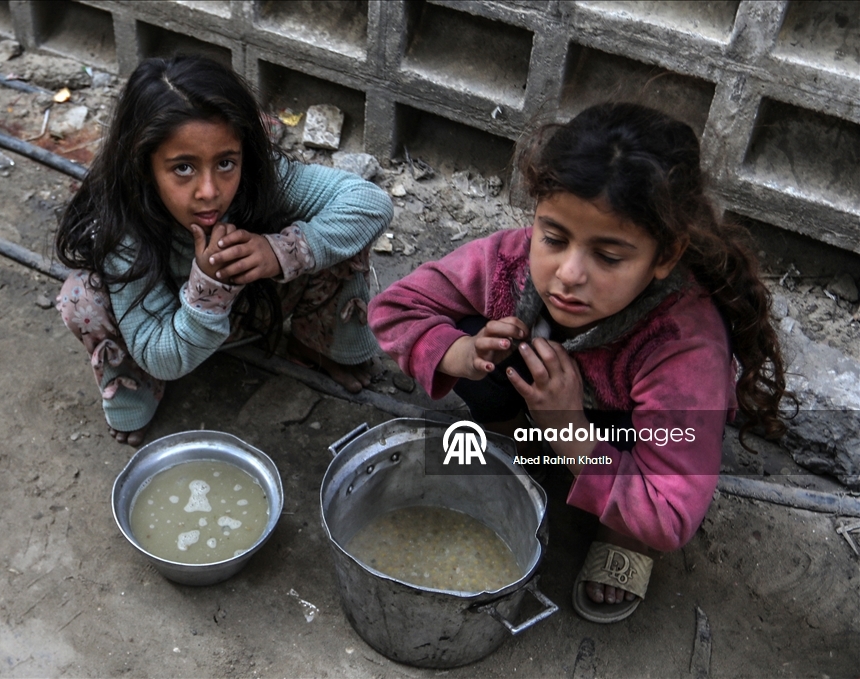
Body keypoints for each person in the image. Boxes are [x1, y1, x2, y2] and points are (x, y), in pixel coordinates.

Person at [369, 103, 790, 623]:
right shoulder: (511, 261)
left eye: (608, 257)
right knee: (479, 334)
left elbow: (672, 514)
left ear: (664, 256)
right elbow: (395, 309)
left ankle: (619, 529)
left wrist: (567, 429)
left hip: (621, 439)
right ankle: (516, 450)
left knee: (644, 509)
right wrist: (464, 354)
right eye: (554, 238)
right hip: (548, 412)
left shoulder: (682, 345)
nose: (568, 274)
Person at [55, 55, 392, 447]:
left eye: (226, 163)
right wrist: (208, 290)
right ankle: (137, 391)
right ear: (144, 166)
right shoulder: (124, 225)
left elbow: (371, 203)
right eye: (183, 168)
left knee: (340, 232)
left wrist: (281, 251)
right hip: (167, 337)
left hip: (252, 313)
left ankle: (315, 343)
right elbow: (160, 357)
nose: (209, 191)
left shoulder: (262, 179)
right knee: (80, 297)